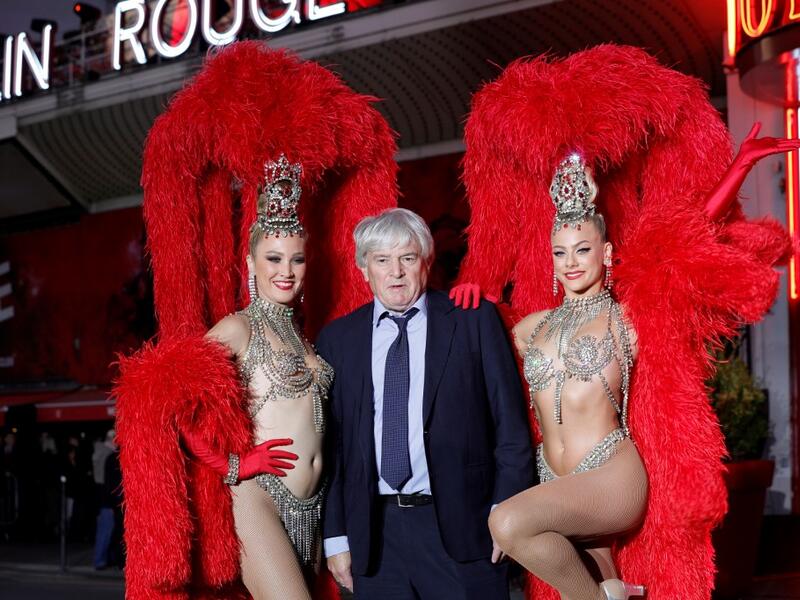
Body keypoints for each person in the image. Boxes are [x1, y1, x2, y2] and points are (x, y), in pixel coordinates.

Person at [449, 45, 797, 600]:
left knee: (508, 524)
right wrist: (475, 289)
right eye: (560, 252)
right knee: (587, 577)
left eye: (582, 249)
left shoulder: (627, 313)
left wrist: (738, 167)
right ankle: (616, 592)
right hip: (557, 481)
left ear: (606, 254)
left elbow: (685, 241)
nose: (571, 262)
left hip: (611, 477)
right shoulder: (527, 327)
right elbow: (466, 357)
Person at [114, 41, 398, 600]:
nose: (286, 271)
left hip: (312, 511)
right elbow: (167, 399)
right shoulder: (237, 329)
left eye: (296, 259)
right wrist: (233, 464)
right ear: (251, 262)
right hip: (258, 500)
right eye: (274, 260)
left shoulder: (303, 332)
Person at [317, 208, 533, 599]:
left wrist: (508, 514)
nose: (395, 272)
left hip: (464, 528)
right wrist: (335, 537)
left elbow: (511, 426)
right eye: (382, 260)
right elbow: (335, 451)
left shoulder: (472, 320)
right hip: (375, 536)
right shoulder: (338, 341)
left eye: (407, 258)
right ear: (364, 268)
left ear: (427, 262)